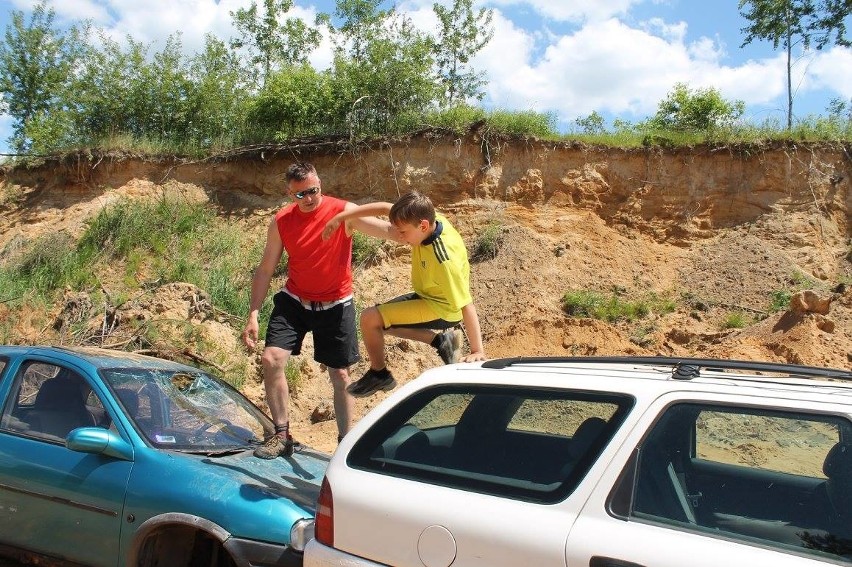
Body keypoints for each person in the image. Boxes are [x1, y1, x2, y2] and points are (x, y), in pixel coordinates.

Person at [242, 162, 391, 459]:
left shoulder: (342, 211)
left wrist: (426, 227)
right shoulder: (282, 221)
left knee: (341, 375)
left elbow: (388, 230)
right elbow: (265, 268)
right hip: (295, 300)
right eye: (300, 195)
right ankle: (281, 435)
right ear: (289, 193)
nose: (309, 198)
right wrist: (253, 312)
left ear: (319, 183)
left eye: (313, 191)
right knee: (271, 359)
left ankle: (346, 445)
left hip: (336, 304)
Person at [322, 190, 486, 398]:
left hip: (444, 308)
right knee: (379, 325)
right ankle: (441, 342)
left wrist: (477, 351)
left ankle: (379, 374)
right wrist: (341, 217)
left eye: (403, 232)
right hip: (427, 296)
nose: (399, 236)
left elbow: (466, 305)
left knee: (370, 319)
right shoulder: (424, 218)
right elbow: (383, 206)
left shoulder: (445, 261)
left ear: (423, 226)